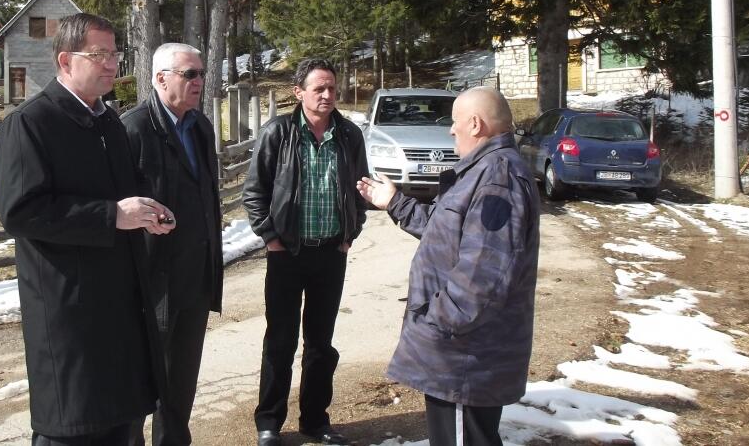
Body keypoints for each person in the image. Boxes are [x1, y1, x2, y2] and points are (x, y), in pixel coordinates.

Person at [0, 13, 176, 446]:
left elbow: (124, 189)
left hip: (121, 306)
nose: (112, 63)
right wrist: (112, 215)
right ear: (65, 60)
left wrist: (149, 209)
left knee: (123, 423)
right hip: (70, 312)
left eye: (115, 53)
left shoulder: (109, 122)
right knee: (76, 429)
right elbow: (20, 211)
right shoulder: (31, 123)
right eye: (99, 54)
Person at [357, 86, 540, 446]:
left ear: (475, 124)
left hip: (464, 356)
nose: (451, 130)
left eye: (455, 122)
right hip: (460, 352)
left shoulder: (497, 178)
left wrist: (436, 323)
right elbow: (446, 229)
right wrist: (395, 202)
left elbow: (482, 278)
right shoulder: (482, 171)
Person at [243, 58, 369, 446]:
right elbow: (254, 193)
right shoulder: (278, 133)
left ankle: (315, 421)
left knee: (320, 343)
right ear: (299, 92)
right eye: (319, 88)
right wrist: (271, 238)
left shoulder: (348, 135)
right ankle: (269, 423)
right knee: (280, 340)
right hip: (287, 254)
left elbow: (361, 188)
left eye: (332, 88)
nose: (328, 95)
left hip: (331, 254)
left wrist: (351, 232)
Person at [121, 43, 223, 446]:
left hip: (194, 280)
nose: (200, 81)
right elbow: (121, 209)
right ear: (161, 78)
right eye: (190, 74)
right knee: (139, 386)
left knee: (181, 388)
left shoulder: (200, 126)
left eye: (201, 73)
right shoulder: (133, 128)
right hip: (151, 283)